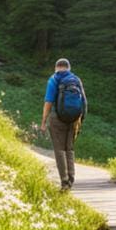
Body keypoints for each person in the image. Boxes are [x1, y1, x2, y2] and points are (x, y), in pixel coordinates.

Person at [40, 58, 86, 191]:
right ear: (69, 68)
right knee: (69, 149)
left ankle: (64, 181)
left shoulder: (53, 79)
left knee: (59, 150)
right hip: (73, 119)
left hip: (57, 118)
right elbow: (84, 102)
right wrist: (80, 120)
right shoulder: (76, 80)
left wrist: (43, 121)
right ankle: (71, 178)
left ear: (56, 67)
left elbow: (48, 102)